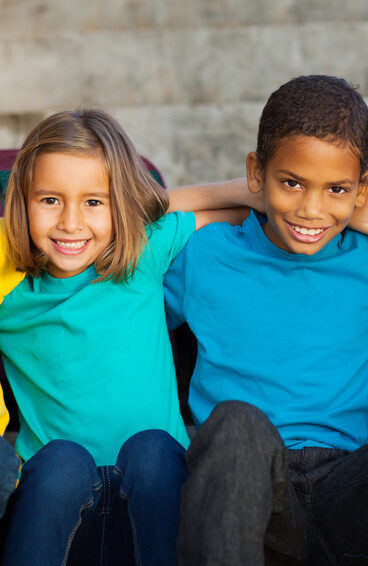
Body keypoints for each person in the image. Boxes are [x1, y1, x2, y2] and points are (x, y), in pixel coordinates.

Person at [0, 108, 258, 566]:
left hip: (149, 507)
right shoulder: (10, 279)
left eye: (94, 202)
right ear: (21, 201)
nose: (71, 223)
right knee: (62, 460)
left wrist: (277, 192)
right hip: (57, 513)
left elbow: (248, 208)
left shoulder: (142, 251)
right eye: (50, 200)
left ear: (124, 205)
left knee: (153, 448)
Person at [164, 75, 368, 565]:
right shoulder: (207, 254)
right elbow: (119, 220)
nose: (311, 209)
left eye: (336, 188)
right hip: (251, 489)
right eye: (291, 182)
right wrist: (233, 192)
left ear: (361, 190)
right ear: (257, 173)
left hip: (350, 490)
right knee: (236, 425)